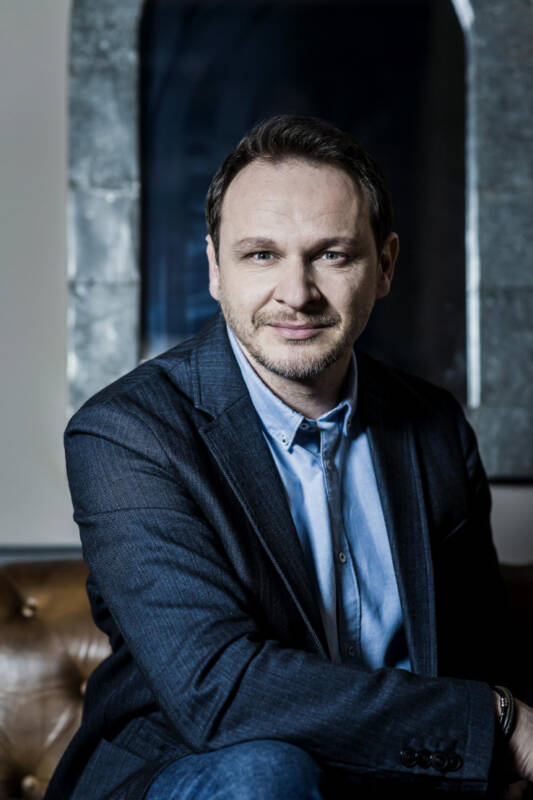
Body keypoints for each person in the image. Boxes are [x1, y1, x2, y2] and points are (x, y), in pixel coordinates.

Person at [45, 115, 533, 800]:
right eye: (260, 255)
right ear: (215, 269)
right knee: (269, 774)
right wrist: (493, 723)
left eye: (331, 255)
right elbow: (218, 689)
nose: (296, 294)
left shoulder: (434, 427)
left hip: (396, 776)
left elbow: (482, 649)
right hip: (196, 771)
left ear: (384, 265)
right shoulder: (127, 434)